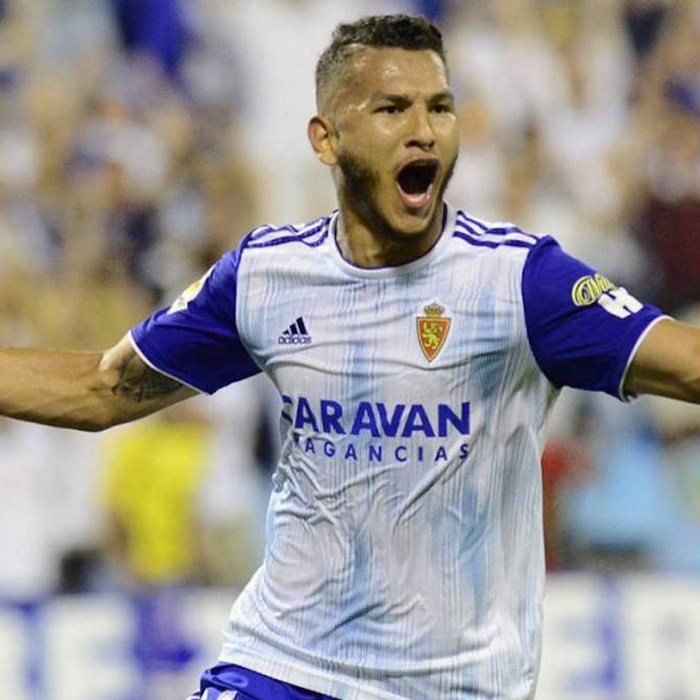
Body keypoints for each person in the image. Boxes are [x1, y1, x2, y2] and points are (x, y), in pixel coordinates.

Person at [0, 13, 698, 700]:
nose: (424, 129)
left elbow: (688, 362)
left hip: (450, 689)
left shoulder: (519, 283)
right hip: (282, 669)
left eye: (440, 107)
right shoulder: (267, 277)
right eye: (393, 108)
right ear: (326, 138)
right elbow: (102, 389)